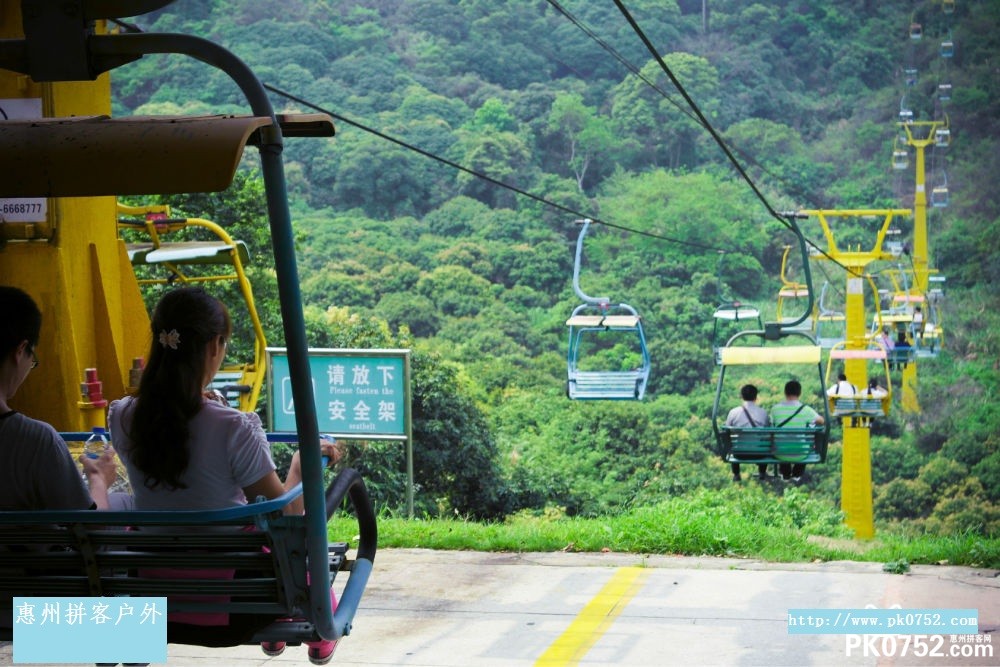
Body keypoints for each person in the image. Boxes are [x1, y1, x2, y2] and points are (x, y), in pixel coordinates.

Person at [108, 287, 344, 665]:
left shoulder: (121, 416)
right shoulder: (236, 428)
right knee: (302, 549)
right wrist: (300, 466)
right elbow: (284, 519)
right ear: (214, 346)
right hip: (238, 609)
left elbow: (176, 433)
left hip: (150, 601)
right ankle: (321, 632)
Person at [0, 286, 117, 512]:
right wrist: (99, 480)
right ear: (20, 350)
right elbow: (89, 531)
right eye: (32, 358)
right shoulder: (35, 442)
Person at [770, 380, 824, 483]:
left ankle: (785, 473)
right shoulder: (806, 410)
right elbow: (821, 421)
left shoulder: (775, 409)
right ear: (799, 393)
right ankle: (797, 473)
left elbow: (770, 425)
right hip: (800, 453)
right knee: (804, 445)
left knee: (783, 443)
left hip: (780, 452)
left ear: (785, 392)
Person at [724, 384, 771, 482]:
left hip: (739, 453)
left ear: (741, 396)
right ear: (756, 397)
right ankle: (762, 472)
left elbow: (726, 431)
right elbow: (767, 431)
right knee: (763, 440)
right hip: (759, 453)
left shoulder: (733, 412)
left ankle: (736, 473)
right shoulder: (763, 412)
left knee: (734, 441)